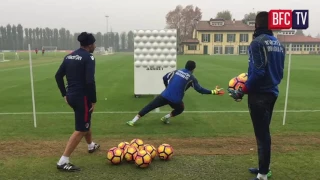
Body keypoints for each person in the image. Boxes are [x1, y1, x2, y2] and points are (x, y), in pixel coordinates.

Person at [228, 11, 285, 180]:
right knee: (264, 133)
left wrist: (242, 91)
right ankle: (263, 167)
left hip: (259, 96)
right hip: (272, 92)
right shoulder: (279, 44)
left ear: (256, 25)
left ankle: (262, 174)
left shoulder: (257, 43)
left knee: (262, 135)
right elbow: (279, 72)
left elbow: (258, 72)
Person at [126, 60, 225, 126]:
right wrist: (213, 92)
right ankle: (165, 118)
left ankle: (133, 121)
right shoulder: (191, 78)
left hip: (164, 95)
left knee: (149, 106)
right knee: (180, 108)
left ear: (185, 66)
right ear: (193, 69)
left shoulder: (176, 71)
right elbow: (200, 90)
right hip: (175, 100)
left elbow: (165, 77)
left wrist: (167, 87)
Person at [55, 32, 100, 172]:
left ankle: (91, 145)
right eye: (94, 44)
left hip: (72, 96)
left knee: (85, 120)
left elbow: (58, 76)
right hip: (83, 97)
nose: (95, 46)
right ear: (90, 45)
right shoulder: (89, 57)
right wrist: (93, 100)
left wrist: (65, 94)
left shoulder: (69, 56)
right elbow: (89, 81)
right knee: (81, 128)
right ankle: (63, 161)